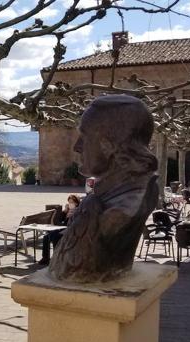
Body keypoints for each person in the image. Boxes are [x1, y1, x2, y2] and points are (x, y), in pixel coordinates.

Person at [48, 94, 159, 282]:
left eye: (84, 137)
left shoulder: (124, 206)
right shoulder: (112, 194)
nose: (77, 146)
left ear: (109, 146)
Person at [39, 195, 81, 265]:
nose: (70, 204)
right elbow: (59, 220)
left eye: (72, 202)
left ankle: (57, 258)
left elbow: (73, 224)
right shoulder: (68, 211)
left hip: (70, 231)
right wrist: (64, 212)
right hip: (62, 228)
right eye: (69, 202)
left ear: (76, 203)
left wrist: (71, 216)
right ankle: (45, 258)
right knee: (46, 237)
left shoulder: (77, 211)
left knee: (55, 237)